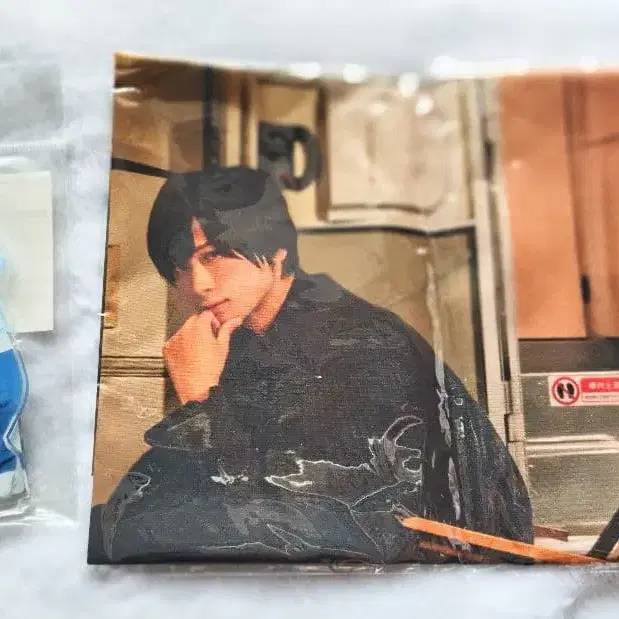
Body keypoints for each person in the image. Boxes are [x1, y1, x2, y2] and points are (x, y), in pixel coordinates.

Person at [88, 165, 533, 564]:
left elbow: (303, 521)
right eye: (180, 266)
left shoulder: (356, 344)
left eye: (212, 255)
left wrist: (200, 401)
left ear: (275, 248)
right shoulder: (245, 338)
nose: (198, 284)